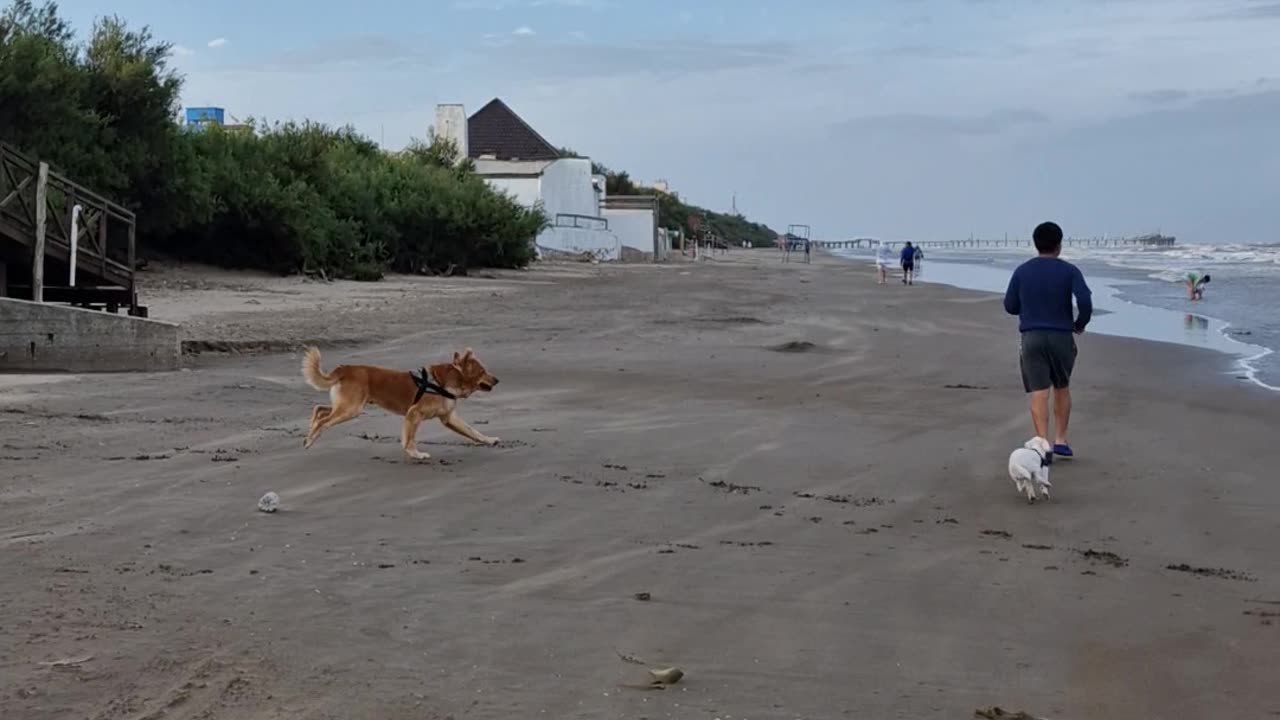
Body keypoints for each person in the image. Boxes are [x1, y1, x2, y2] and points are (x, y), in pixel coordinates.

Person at [1003, 221, 1092, 460]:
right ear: (1059, 245)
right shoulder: (1069, 270)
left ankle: (1043, 445)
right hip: (1062, 335)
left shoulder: (1022, 271)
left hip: (1032, 336)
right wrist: (1080, 324)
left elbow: (1010, 306)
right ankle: (1061, 440)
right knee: (1062, 387)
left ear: (1036, 244)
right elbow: (1084, 300)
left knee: (1039, 391)